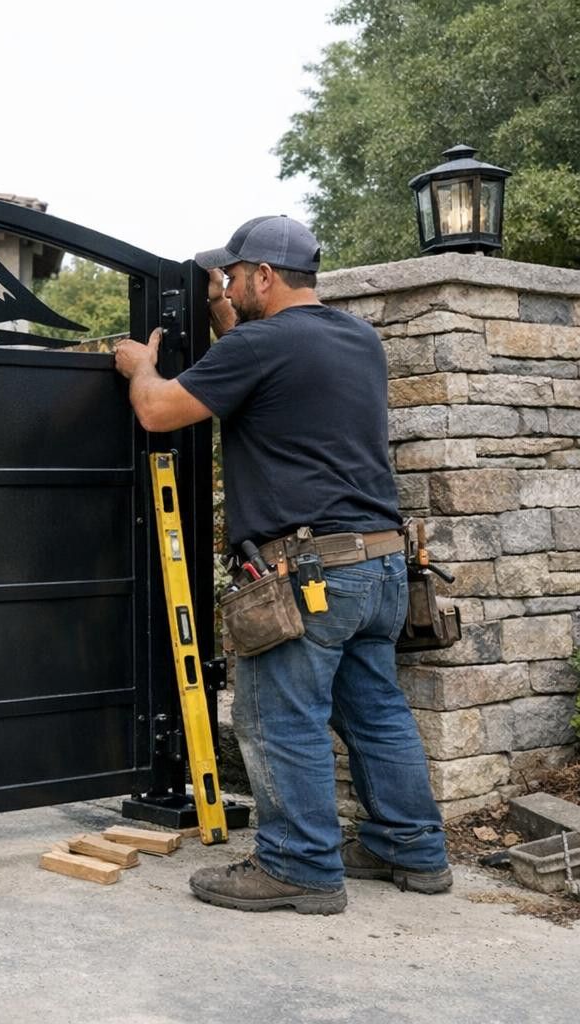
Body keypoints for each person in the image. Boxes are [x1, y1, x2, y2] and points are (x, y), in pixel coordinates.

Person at [112, 215, 450, 914]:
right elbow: (268, 373)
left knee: (278, 719)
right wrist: (223, 315)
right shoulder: (357, 340)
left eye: (235, 275)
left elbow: (158, 412)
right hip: (380, 567)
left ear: (264, 276)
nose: (229, 284)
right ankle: (411, 849)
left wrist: (141, 367)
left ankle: (299, 865)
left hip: (309, 573)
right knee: (376, 713)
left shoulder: (262, 345)